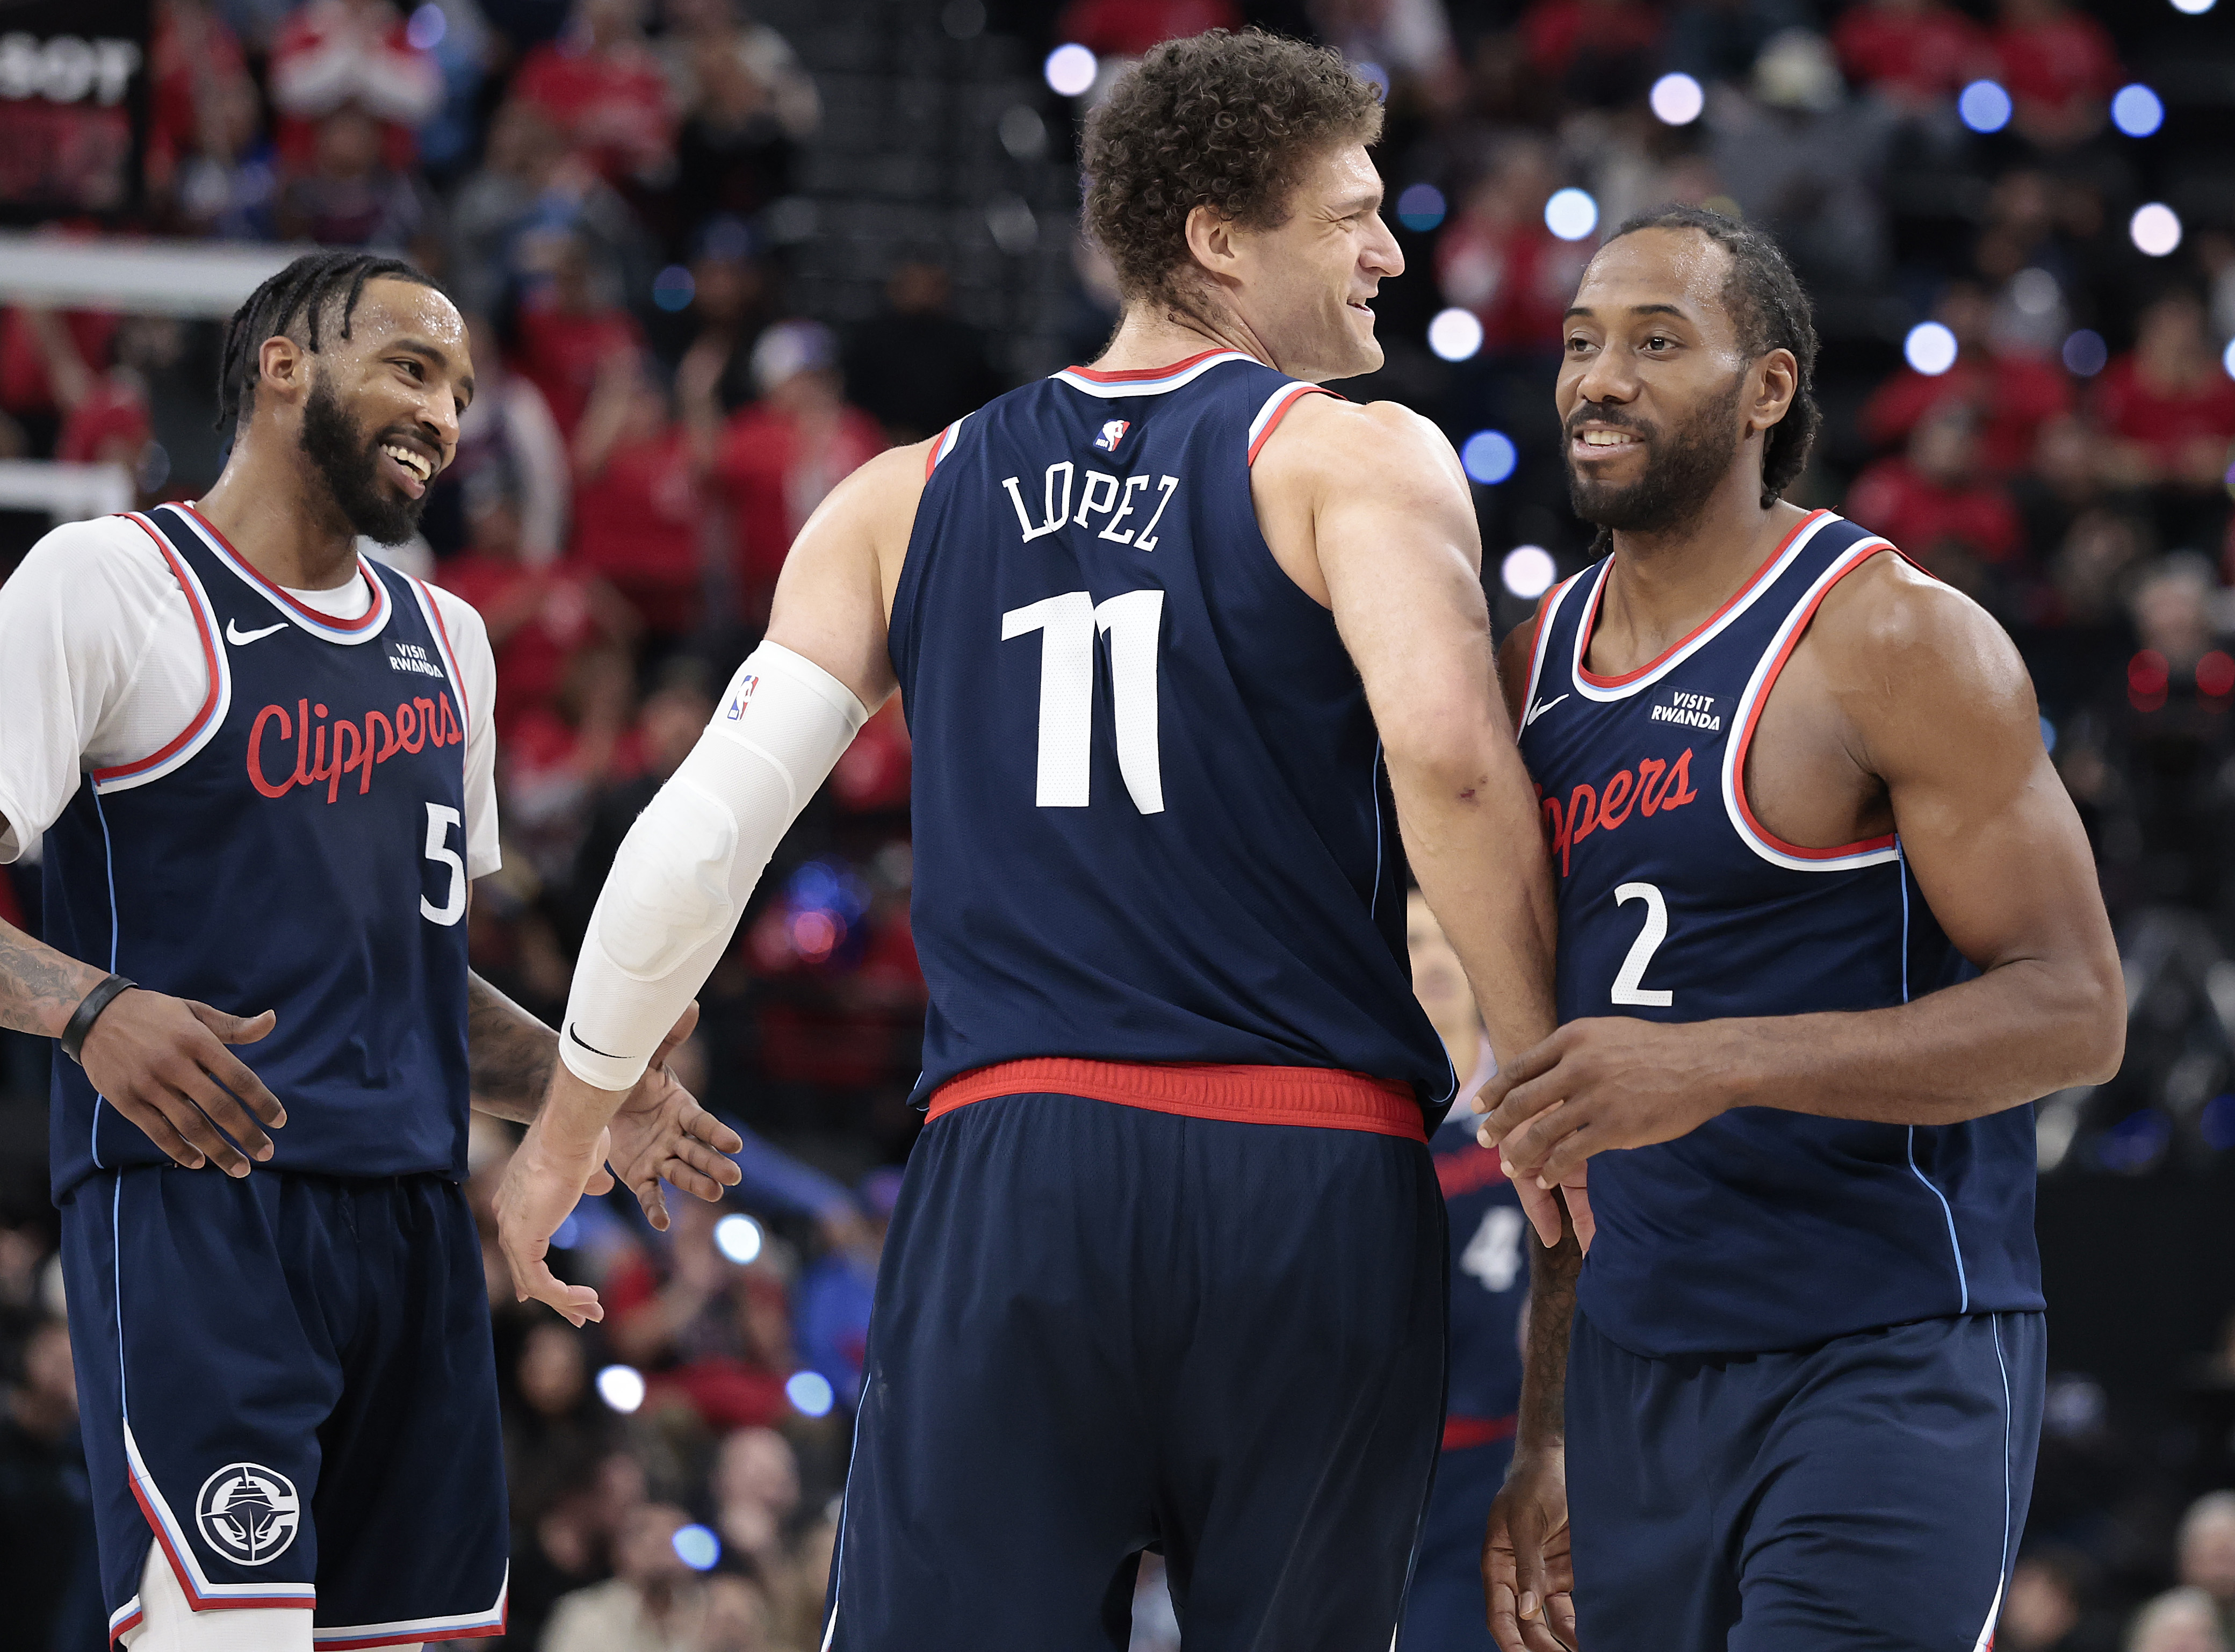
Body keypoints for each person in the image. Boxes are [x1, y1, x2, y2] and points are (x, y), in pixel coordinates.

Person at [495, 30, 1558, 1651]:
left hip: (1021, 1166)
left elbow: (699, 834)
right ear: (1218, 236)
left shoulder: (899, 494)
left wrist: (573, 1115)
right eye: (1350, 213)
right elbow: (1455, 770)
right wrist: (1547, 1079)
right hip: (1311, 1171)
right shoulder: (1357, 453)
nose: (1390, 251)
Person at [0, 249, 746, 1651]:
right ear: (283, 361)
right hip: (203, 1217)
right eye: (412, 367)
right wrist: (88, 1006)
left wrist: (594, 1083)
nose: (446, 415)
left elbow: (415, 977)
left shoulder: (450, 639)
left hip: (414, 1233)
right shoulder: (106, 582)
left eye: (461, 390)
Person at [1479, 205, 2125, 1652]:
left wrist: (1712, 1062)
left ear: (1767, 388)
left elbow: (2077, 1008)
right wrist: (1549, 1427)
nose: (1599, 378)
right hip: (1637, 1374)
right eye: (1583, 342)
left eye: (1658, 341)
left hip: (1883, 1348)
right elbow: (1564, 1115)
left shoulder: (1891, 637)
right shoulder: (1536, 669)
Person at [1396, 891, 1527, 1652]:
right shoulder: (1369, 1129)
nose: (1439, 960)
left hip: (1504, 1462)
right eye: (1416, 941)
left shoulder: (1531, 1106)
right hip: (1382, 1469)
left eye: (1452, 939)